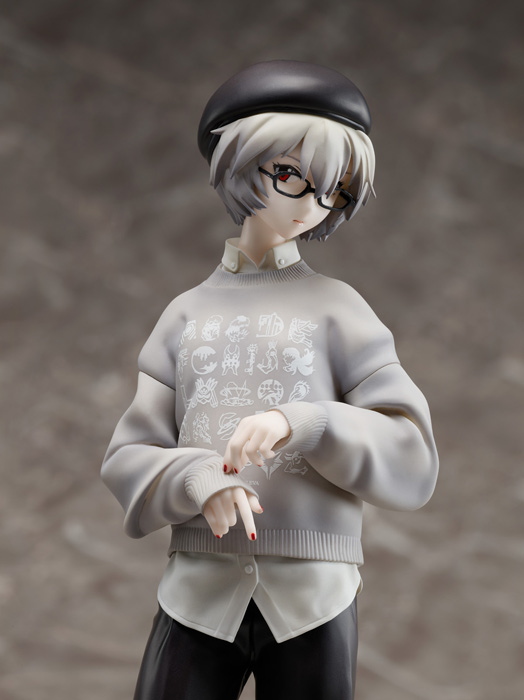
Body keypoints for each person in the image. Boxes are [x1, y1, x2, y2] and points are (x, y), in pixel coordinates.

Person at [101, 60, 439, 700]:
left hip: (314, 597)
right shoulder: (185, 315)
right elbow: (127, 457)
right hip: (196, 592)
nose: (312, 205)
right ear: (239, 162)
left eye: (334, 191)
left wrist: (305, 421)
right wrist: (197, 477)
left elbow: (412, 454)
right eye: (291, 175)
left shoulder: (339, 309)